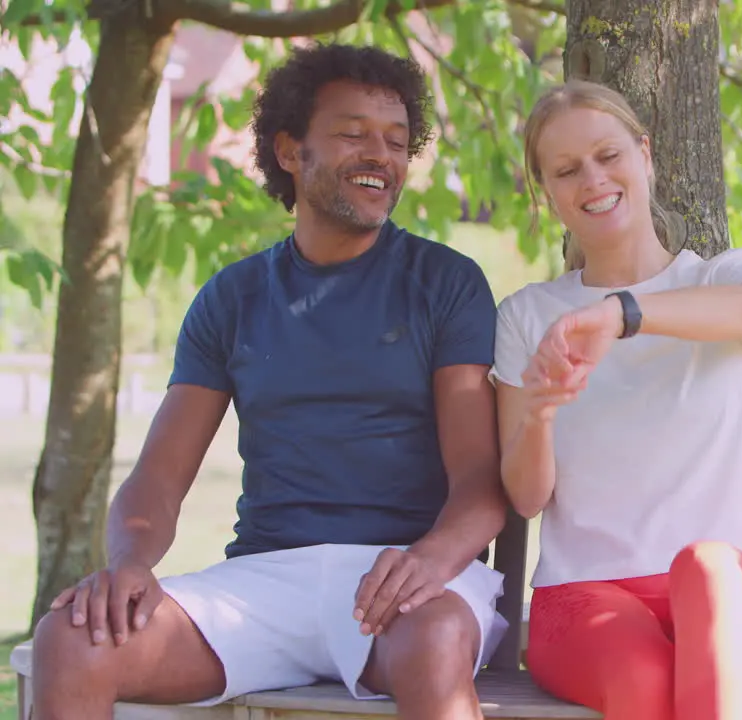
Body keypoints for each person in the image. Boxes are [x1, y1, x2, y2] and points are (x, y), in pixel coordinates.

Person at [30, 43, 509, 720]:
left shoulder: (445, 283)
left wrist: (429, 560)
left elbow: (481, 479)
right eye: (353, 135)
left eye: (397, 142)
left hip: (409, 582)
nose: (381, 156)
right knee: (71, 640)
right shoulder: (233, 298)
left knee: (435, 641)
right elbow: (158, 481)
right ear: (290, 150)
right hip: (264, 579)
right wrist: (131, 562)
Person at [490, 80, 742, 720]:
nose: (593, 180)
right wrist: (543, 411)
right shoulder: (529, 316)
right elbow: (525, 498)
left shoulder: (725, 277)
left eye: (609, 156)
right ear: (548, 192)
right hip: (585, 597)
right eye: (567, 170)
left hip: (739, 593)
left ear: (646, 154)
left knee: (707, 567)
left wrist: (622, 314)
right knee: (644, 680)